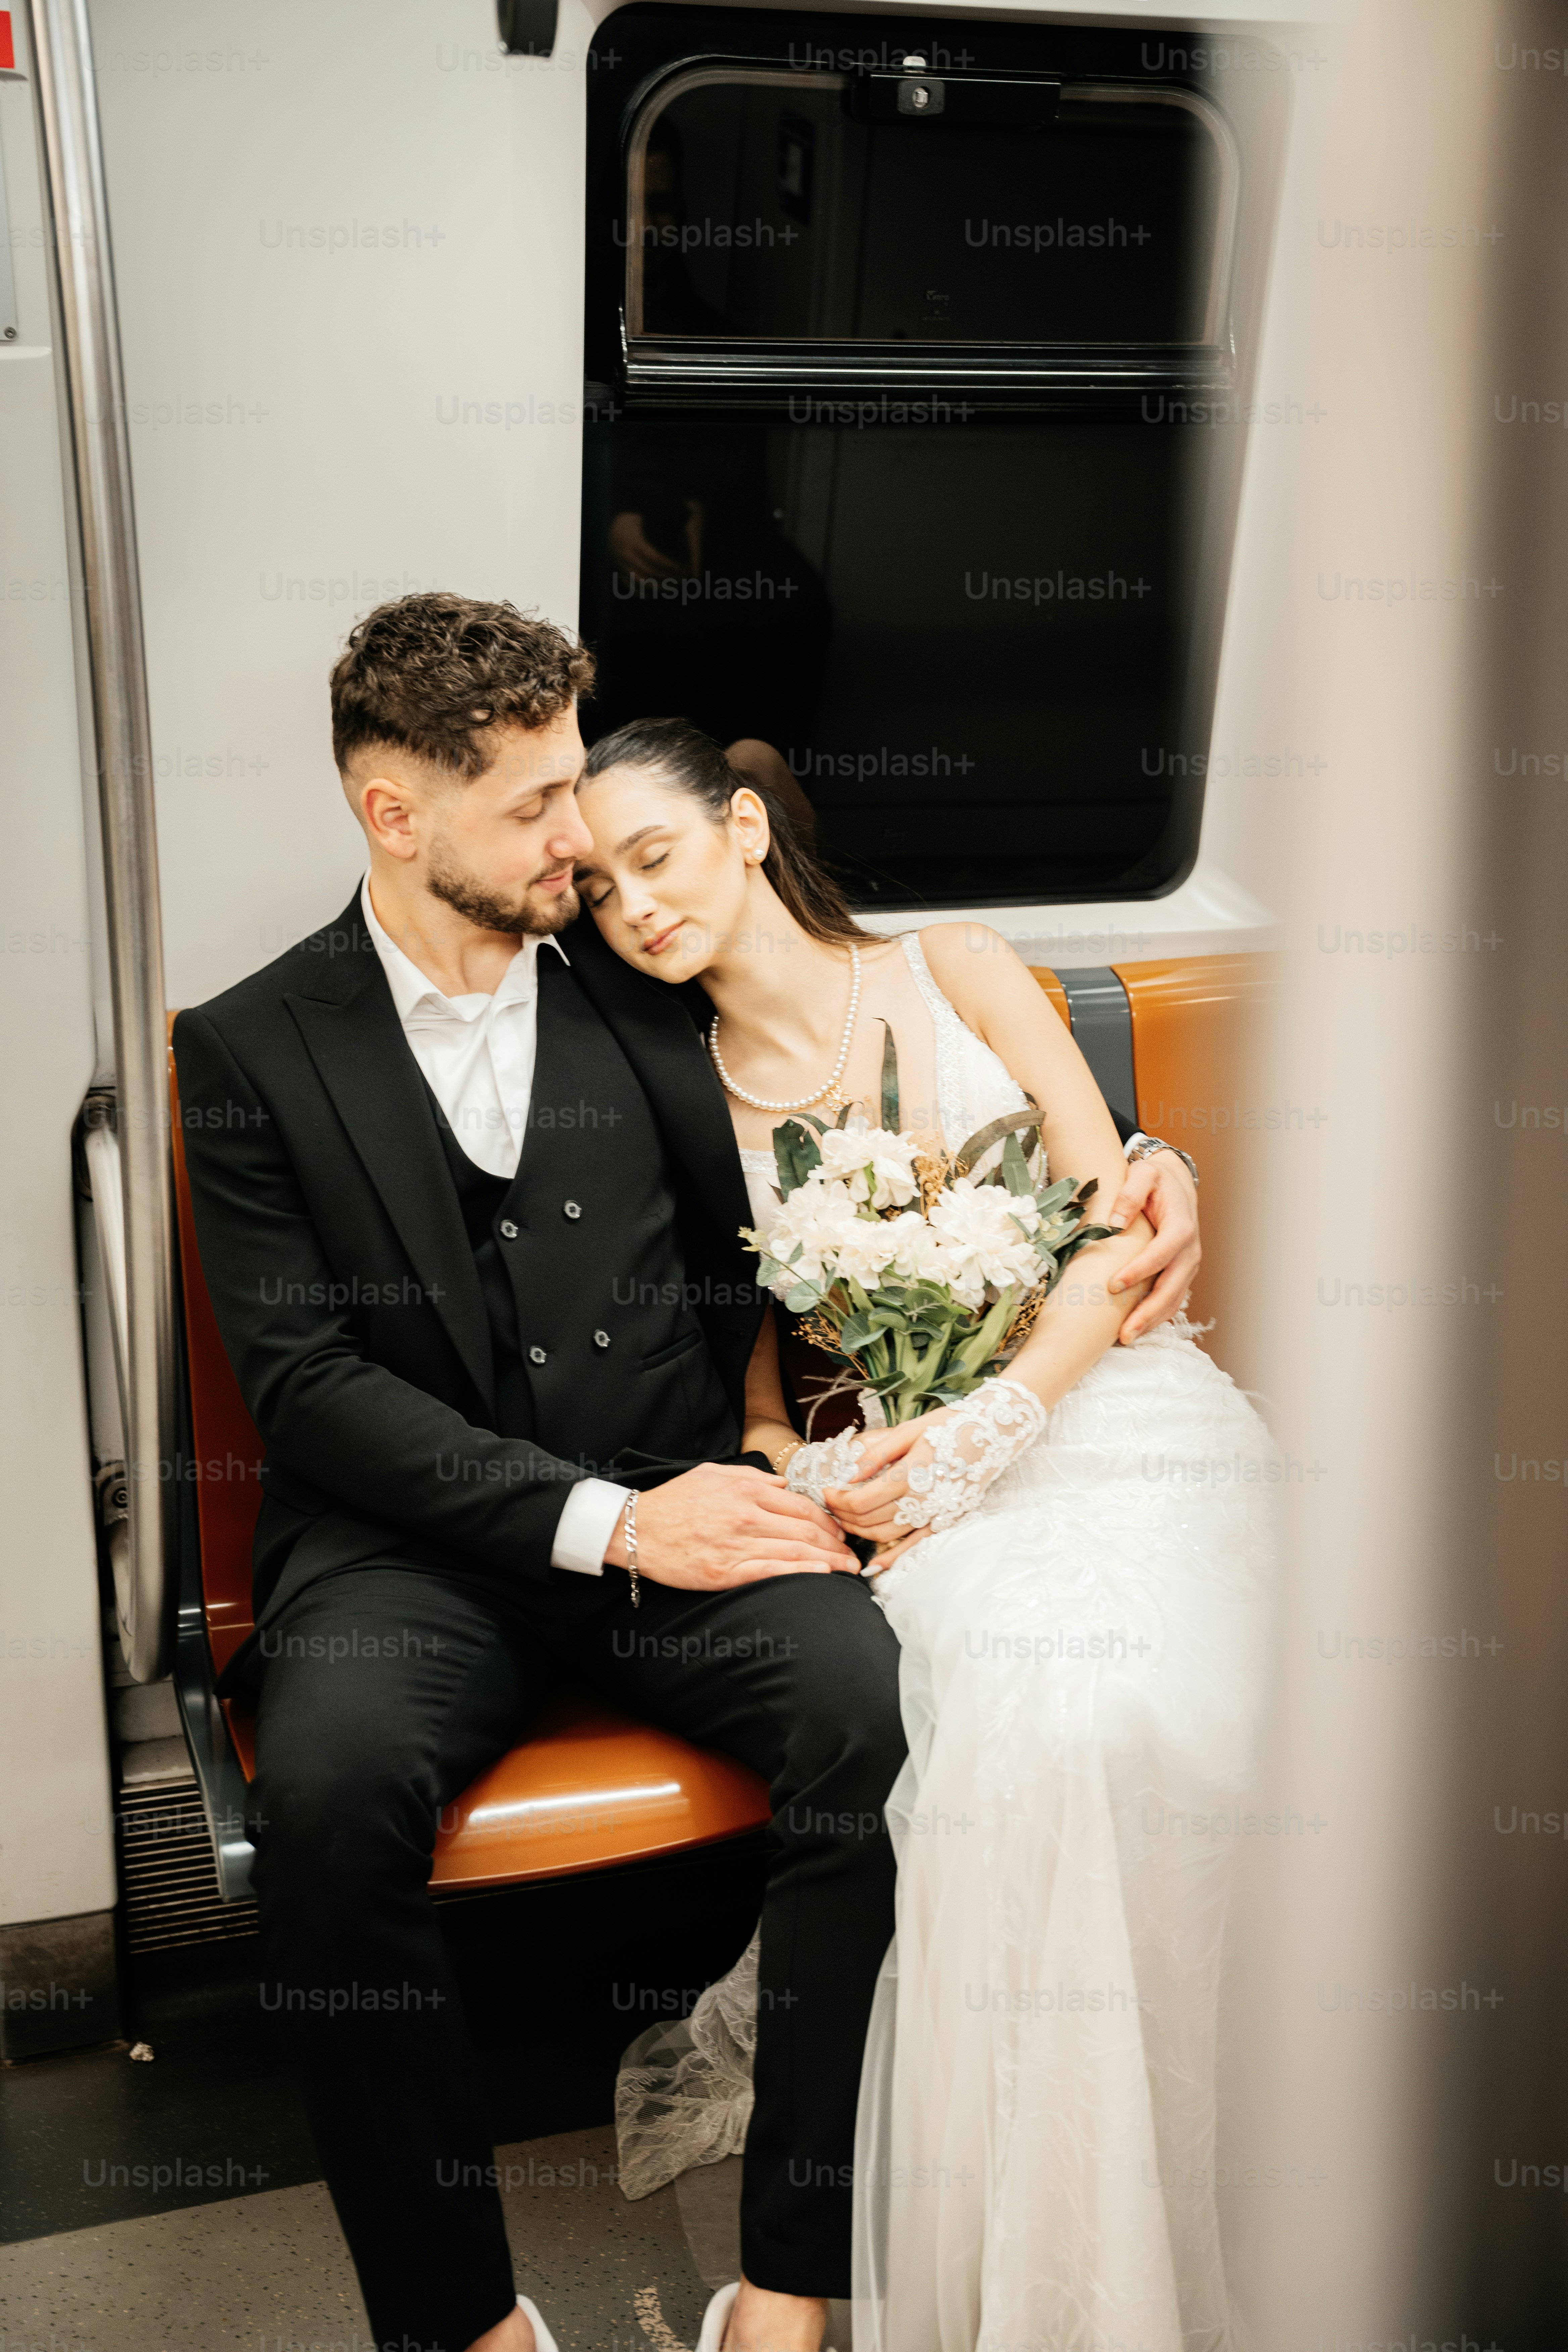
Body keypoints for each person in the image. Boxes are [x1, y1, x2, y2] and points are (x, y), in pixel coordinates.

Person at [172, 595, 909, 2352]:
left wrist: (1140, 1175)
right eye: (531, 804)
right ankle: (464, 2324)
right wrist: (607, 1519)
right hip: (402, 1561)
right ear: (393, 812)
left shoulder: (644, 997)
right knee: (332, 1816)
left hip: (681, 1515)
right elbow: (312, 1389)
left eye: (578, 784)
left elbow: (879, 1059)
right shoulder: (251, 1050)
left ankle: (791, 2287)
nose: (579, 837)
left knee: (876, 1712)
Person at [574, 718, 1272, 2352]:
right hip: (898, 1465)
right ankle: (1052, 2236)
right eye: (599, 893)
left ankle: (1239, 2136)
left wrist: (995, 1422)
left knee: (1175, 1695)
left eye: (656, 858)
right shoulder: (681, 1096)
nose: (635, 907)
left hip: (1112, 1409)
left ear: (743, 829)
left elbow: (1106, 1226)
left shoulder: (957, 966)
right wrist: (806, 1476)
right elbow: (753, 1383)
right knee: (1039, 1714)